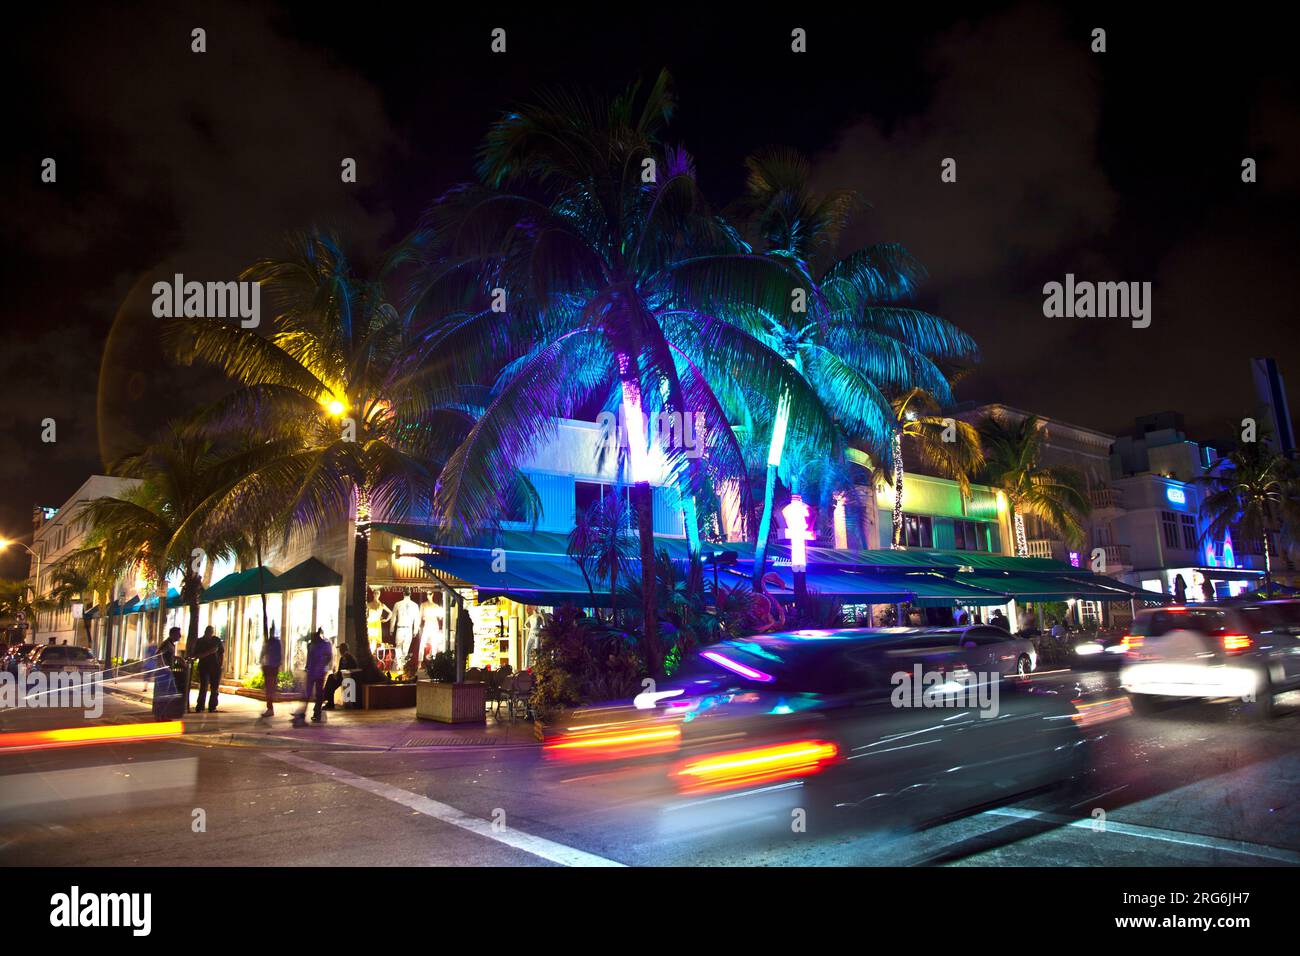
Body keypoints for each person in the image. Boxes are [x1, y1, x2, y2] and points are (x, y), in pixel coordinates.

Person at [295, 628, 332, 725]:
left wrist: (322, 665)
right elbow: (311, 658)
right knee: (312, 693)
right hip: (313, 671)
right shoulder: (312, 645)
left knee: (317, 693)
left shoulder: (323, 644)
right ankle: (307, 713)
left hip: (318, 672)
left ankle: (316, 713)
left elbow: (328, 657)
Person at [191, 625, 224, 713]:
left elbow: (221, 652)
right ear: (205, 632)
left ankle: (212, 706)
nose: (209, 633)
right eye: (208, 631)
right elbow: (196, 654)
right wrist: (210, 652)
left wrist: (221, 664)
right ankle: (200, 706)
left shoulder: (216, 640)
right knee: (203, 686)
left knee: (214, 688)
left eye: (211, 631)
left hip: (215, 667)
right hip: (204, 667)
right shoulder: (200, 641)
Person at [152, 628, 183, 721]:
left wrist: (178, 658)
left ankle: (163, 714)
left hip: (167, 672)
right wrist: (164, 666)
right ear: (172, 634)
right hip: (164, 673)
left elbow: (168, 655)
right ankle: (160, 715)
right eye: (178, 634)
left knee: (171, 694)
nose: (180, 636)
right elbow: (158, 654)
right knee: (164, 694)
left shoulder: (170, 644)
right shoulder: (167, 643)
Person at [322, 642, 357, 710]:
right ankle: (328, 700)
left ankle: (328, 700)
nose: (340, 651)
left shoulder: (350, 658)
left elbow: (351, 669)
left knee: (331, 682)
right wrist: (336, 674)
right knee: (330, 678)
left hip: (347, 678)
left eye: (341, 649)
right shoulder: (342, 658)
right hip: (341, 676)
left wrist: (339, 674)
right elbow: (340, 670)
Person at [260, 623, 282, 718]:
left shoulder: (275, 643)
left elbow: (278, 655)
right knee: (269, 688)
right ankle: (269, 707)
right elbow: (263, 652)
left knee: (270, 688)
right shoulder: (269, 642)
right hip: (269, 667)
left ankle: (270, 708)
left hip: (272, 667)